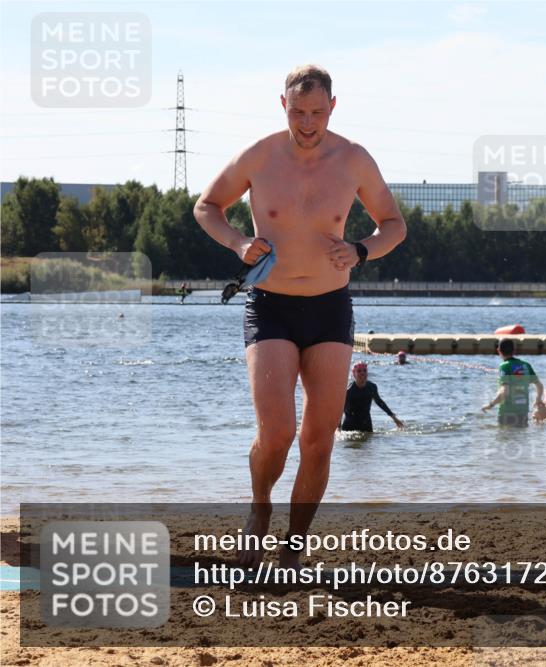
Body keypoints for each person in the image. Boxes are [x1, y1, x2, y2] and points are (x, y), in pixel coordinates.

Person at [192, 65, 406, 569]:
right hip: (271, 305)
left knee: (318, 438)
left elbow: (393, 225)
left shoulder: (353, 159)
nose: (307, 122)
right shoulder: (260, 155)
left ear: (333, 106)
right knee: (279, 432)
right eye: (297, 111)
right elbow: (207, 207)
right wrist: (239, 241)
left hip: (331, 308)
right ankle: (259, 509)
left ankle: (294, 546)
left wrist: (361, 250)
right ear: (282, 105)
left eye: (316, 112)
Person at [481, 338, 546, 427]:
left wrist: (490, 405)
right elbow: (539, 385)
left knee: (505, 438)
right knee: (520, 438)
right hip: (523, 413)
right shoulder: (526, 365)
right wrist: (538, 399)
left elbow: (505, 391)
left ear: (498, 351)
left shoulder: (504, 366)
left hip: (507, 414)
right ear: (514, 350)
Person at [341, 362, 405, 432]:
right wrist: (338, 427)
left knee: (369, 441)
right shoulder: (348, 391)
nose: (362, 373)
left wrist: (394, 418)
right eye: (359, 371)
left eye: (364, 370)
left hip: (366, 423)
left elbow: (379, 402)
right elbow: (340, 410)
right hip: (350, 424)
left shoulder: (372, 387)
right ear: (354, 374)